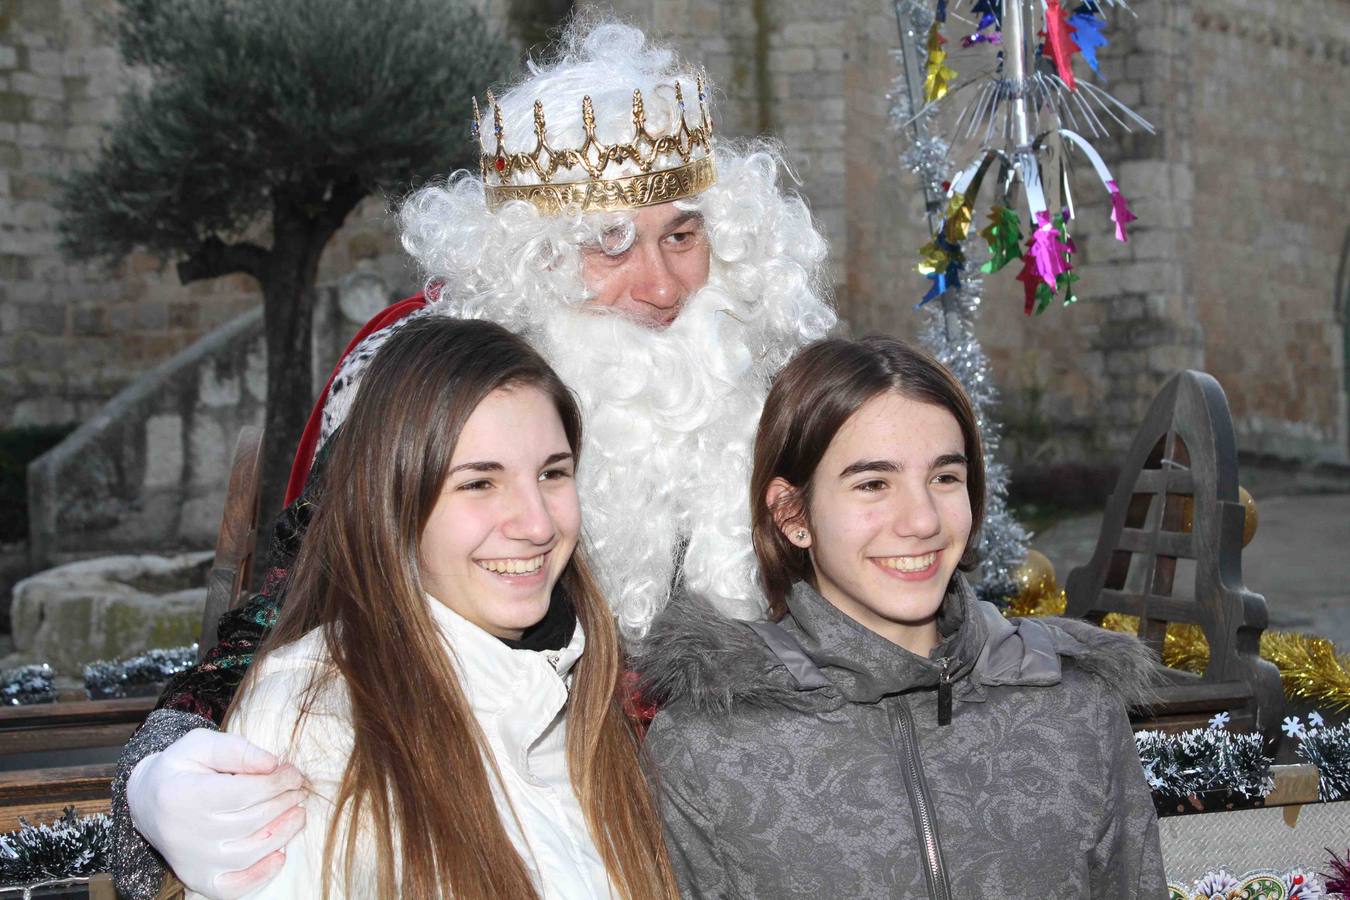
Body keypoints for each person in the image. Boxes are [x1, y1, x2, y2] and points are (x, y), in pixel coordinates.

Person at [112, 17, 836, 900]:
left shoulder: (760, 387)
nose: (660, 287)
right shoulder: (425, 382)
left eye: (681, 235)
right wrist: (157, 772)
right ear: (529, 257)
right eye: (610, 242)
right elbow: (286, 618)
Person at [640, 336, 1166, 898]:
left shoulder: (1074, 705)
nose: (921, 521)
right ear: (792, 513)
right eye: (873, 484)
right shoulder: (709, 744)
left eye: (944, 477)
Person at [184, 315, 678, 898]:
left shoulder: (588, 692)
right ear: (394, 501)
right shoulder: (314, 720)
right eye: (478, 483)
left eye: (552, 473)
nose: (538, 524)